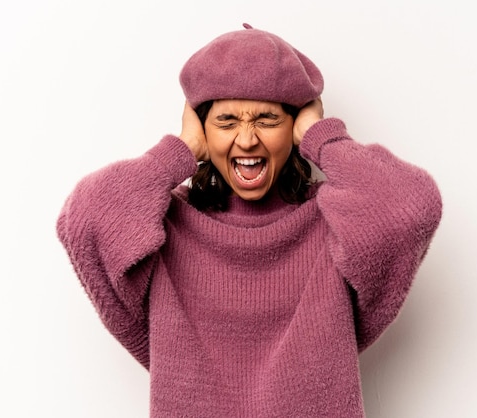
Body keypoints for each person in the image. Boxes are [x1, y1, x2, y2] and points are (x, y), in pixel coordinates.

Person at [57, 23, 442, 417]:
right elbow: (84, 219)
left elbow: (412, 207)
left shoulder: (331, 224)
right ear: (202, 129)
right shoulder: (168, 227)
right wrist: (181, 150)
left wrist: (321, 137)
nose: (246, 140)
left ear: (294, 127)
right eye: (226, 122)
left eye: (266, 120)